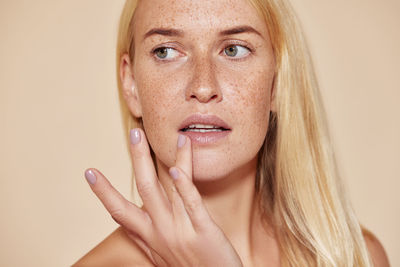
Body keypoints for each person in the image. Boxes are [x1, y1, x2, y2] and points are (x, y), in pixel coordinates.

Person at [73, 0, 390, 266]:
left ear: (277, 84)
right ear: (132, 85)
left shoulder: (356, 257)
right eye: (165, 52)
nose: (203, 86)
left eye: (234, 49)